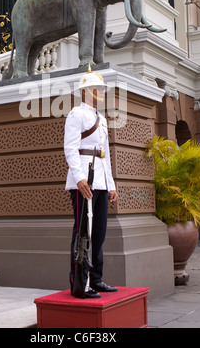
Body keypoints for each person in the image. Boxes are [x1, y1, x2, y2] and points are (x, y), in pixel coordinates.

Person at [64, 66, 118, 298]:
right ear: (86, 92)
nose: (101, 92)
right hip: (85, 181)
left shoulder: (101, 119)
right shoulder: (76, 114)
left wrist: (111, 184)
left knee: (99, 233)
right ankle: (79, 282)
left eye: (102, 88)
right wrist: (79, 179)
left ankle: (95, 280)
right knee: (83, 232)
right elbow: (71, 148)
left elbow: (104, 152)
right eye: (97, 88)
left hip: (101, 181)